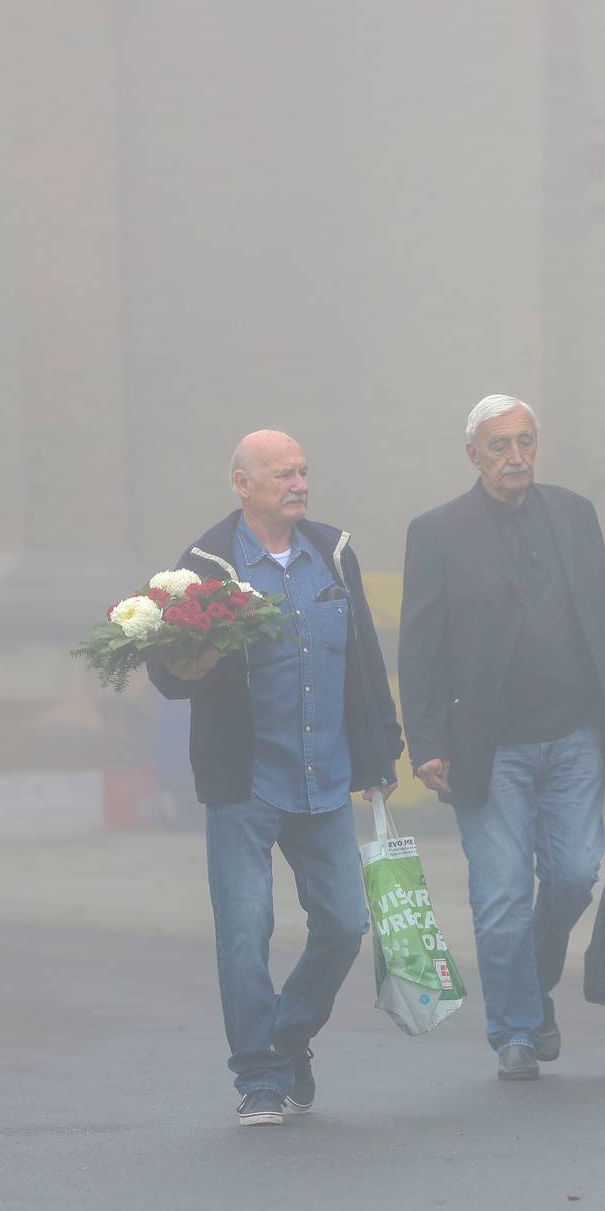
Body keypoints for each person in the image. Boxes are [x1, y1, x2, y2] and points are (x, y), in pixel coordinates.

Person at [147, 429, 402, 1127]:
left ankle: (289, 1034)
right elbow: (166, 671)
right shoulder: (206, 564)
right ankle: (259, 1076)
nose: (299, 483)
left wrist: (382, 755)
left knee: (347, 923)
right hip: (247, 780)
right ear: (243, 484)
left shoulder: (335, 553)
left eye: (303, 471)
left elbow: (364, 661)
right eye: (284, 473)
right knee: (244, 930)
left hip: (326, 777)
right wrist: (185, 668)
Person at [397, 395, 605, 1081]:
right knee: (502, 898)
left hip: (575, 736)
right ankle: (515, 1028)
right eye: (501, 445)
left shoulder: (574, 515)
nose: (516, 457)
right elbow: (418, 647)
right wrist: (425, 741)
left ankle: (530, 991)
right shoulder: (438, 532)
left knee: (572, 876)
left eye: (526, 442)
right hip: (489, 746)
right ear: (473, 454)